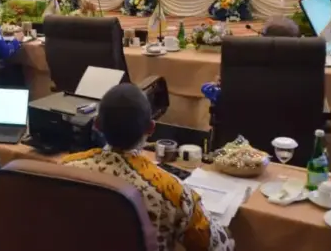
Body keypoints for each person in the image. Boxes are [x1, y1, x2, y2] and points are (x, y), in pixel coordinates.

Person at [63, 84, 234, 251]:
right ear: (151, 128)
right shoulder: (170, 190)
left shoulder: (66, 169)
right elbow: (220, 246)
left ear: (97, 124)